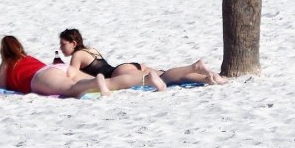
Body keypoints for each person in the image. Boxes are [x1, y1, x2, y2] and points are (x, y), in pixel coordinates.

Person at [0, 35, 157, 98]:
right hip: (57, 69)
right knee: (112, 83)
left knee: (71, 89)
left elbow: (1, 88)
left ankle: (95, 82)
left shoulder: (6, 63)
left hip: (41, 78)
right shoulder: (28, 57)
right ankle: (144, 79)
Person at [58, 28, 227, 89]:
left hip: (119, 73)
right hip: (130, 66)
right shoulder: (91, 50)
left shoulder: (78, 55)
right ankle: (209, 77)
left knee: (165, 78)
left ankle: (193, 67)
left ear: (74, 43)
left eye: (63, 44)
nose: (61, 48)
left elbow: (73, 75)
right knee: (169, 76)